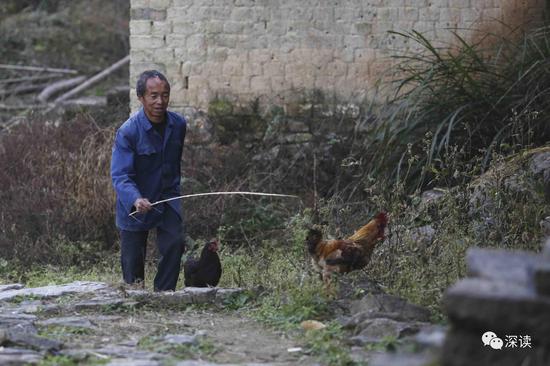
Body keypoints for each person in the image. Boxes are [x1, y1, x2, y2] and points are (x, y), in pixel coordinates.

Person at [111, 70, 187, 291]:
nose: (159, 101)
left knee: (175, 243)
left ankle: (164, 295)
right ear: (141, 97)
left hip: (167, 197)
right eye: (153, 96)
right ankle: (136, 300)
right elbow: (120, 175)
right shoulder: (128, 132)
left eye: (164, 95)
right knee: (133, 264)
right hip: (135, 203)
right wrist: (135, 199)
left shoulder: (179, 125)